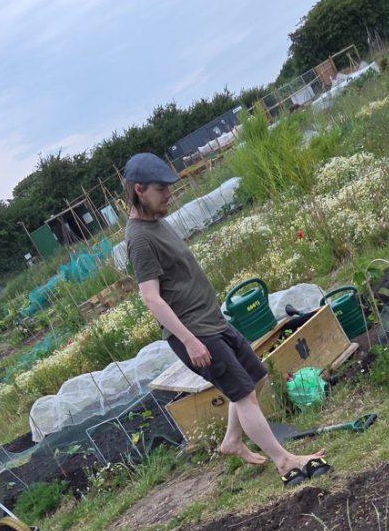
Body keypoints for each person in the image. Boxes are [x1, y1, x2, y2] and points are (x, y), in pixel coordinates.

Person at [122, 153, 331, 485]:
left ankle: (232, 440)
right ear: (139, 189)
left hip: (213, 321)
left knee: (256, 378)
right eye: (161, 189)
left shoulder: (158, 223)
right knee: (244, 395)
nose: (168, 195)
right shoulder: (139, 240)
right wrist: (189, 340)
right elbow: (151, 298)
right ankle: (284, 461)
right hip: (195, 332)